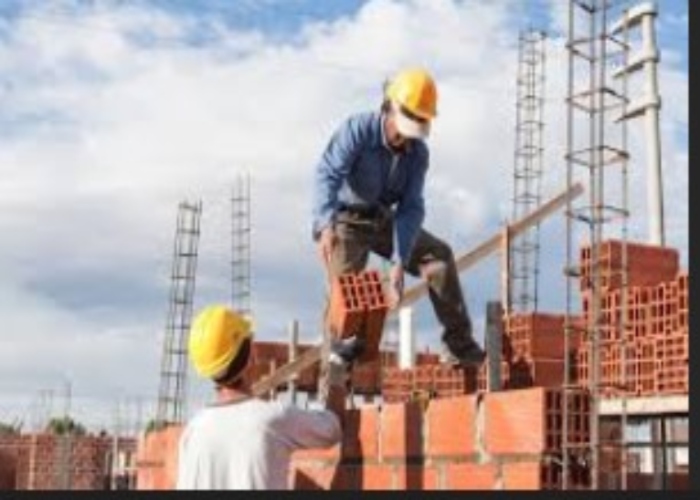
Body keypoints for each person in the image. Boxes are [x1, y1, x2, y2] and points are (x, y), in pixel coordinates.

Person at [312, 67, 486, 366]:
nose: (407, 139)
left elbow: (411, 208)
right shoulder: (358, 130)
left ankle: (459, 347)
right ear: (390, 108)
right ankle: (335, 376)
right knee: (345, 302)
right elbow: (328, 173)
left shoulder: (418, 154)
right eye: (405, 128)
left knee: (439, 258)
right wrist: (325, 224)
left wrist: (398, 262)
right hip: (346, 221)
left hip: (383, 219)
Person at [176, 305, 349, 490]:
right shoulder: (272, 420)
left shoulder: (193, 432)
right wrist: (338, 365)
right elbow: (333, 427)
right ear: (251, 355)